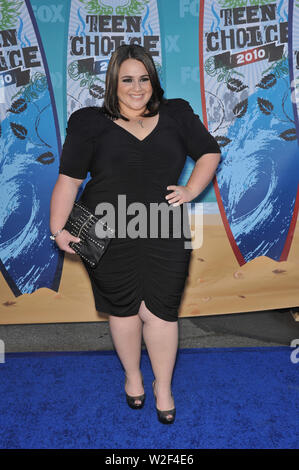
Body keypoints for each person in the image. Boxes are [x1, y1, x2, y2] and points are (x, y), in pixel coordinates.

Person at [50, 44, 221, 424]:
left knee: (161, 312)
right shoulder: (89, 121)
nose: (137, 87)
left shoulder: (176, 113)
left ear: (153, 81)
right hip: (105, 228)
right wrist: (57, 228)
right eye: (127, 79)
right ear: (113, 82)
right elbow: (69, 180)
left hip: (165, 227)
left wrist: (191, 190)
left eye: (144, 78)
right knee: (123, 309)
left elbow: (209, 152)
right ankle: (132, 377)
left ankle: (163, 387)